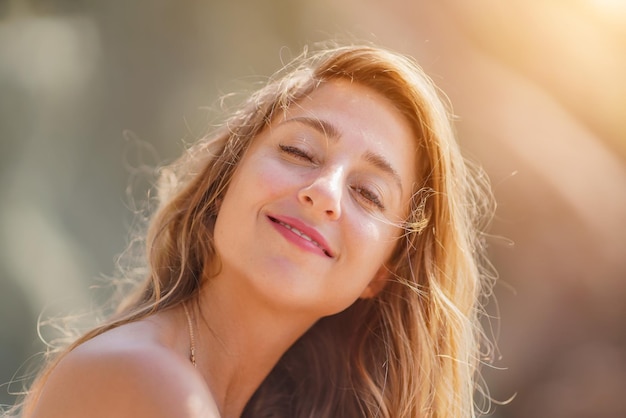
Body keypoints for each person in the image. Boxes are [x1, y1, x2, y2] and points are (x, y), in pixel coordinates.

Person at [14, 43, 495, 417]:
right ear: (224, 183)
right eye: (300, 153)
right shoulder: (143, 378)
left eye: (367, 193)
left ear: (381, 273)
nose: (324, 192)